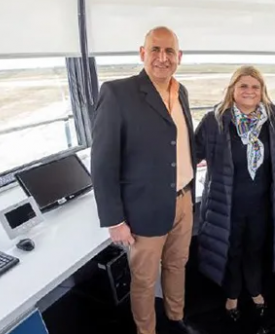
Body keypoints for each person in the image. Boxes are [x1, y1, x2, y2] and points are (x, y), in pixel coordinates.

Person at [90, 27, 201, 334]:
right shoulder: (117, 93)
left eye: (169, 52)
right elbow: (102, 162)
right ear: (142, 53)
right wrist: (115, 220)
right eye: (155, 50)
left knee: (178, 265)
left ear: (179, 57)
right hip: (143, 209)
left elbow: (178, 142)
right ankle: (146, 331)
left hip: (183, 201)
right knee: (143, 279)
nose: (162, 58)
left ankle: (176, 318)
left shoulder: (182, 92)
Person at [194, 66, 275, 328]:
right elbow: (190, 154)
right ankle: (232, 296)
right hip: (227, 204)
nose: (249, 92)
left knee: (255, 249)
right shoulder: (215, 120)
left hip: (261, 204)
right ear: (232, 89)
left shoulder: (273, 119)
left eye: (255, 87)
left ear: (262, 92)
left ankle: (254, 290)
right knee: (231, 250)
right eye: (243, 86)